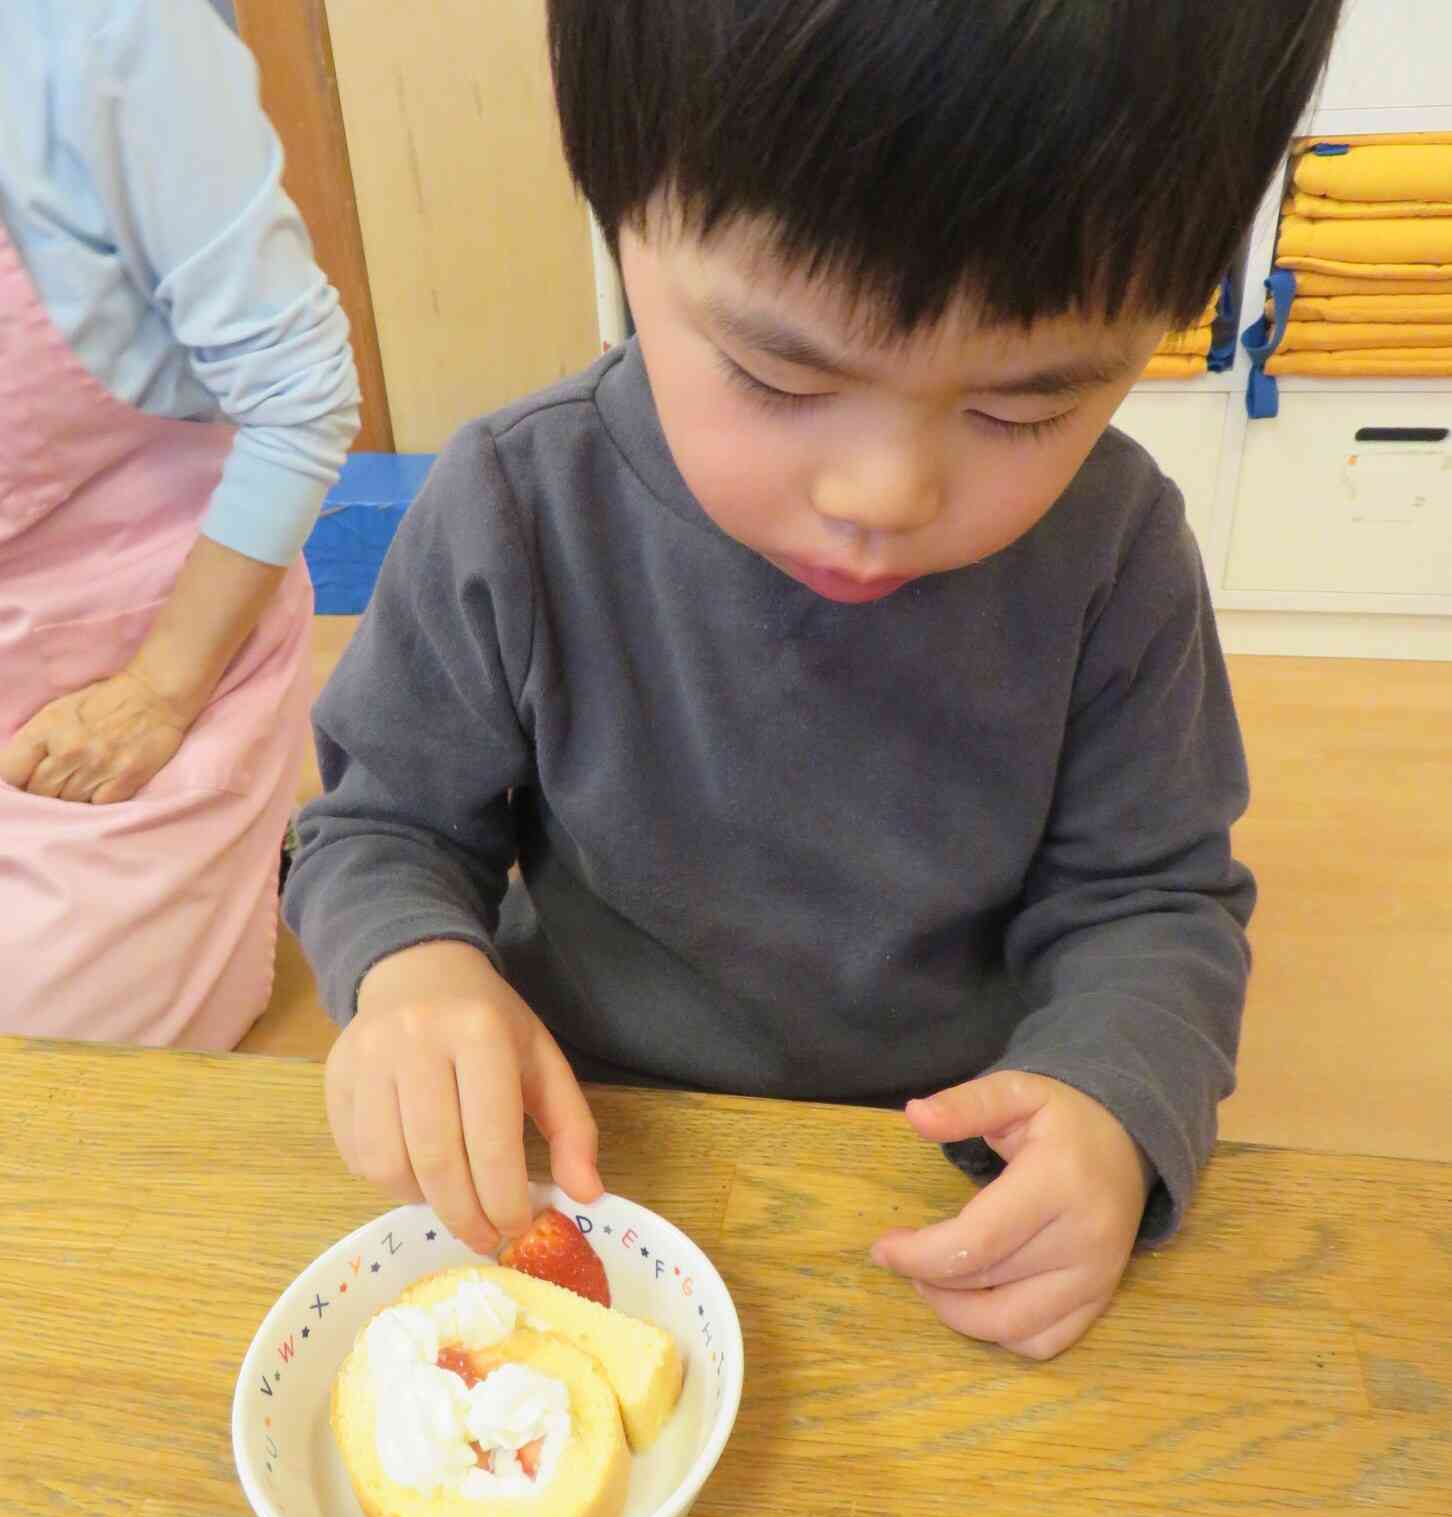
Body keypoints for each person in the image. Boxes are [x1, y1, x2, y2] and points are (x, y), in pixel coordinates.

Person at [285, 0, 1346, 1359]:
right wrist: (415, 970)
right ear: (621, 216)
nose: (882, 494)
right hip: (593, 1154)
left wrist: (1113, 1100)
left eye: (1024, 407)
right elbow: (380, 824)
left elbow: (1154, 900)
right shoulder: (516, 509)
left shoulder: (1113, 557)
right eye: (780, 373)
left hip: (948, 1180)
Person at [0, 0, 360, 1049]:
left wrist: (155, 694)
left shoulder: (106, 29)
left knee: (28, 1058)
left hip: (143, 655)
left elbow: (302, 395)